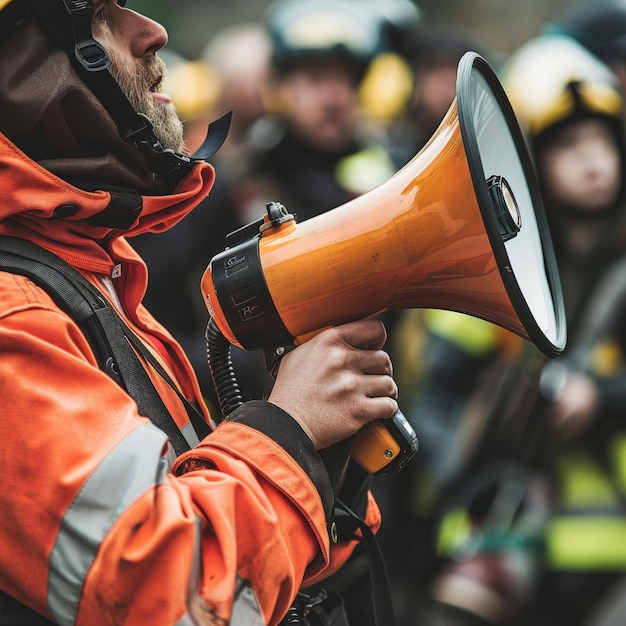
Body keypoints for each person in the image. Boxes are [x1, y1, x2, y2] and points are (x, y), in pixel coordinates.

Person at [0, 1, 401, 625]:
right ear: (22, 69)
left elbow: (231, 565)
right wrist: (289, 425)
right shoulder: (15, 313)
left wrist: (326, 466)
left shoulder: (96, 272)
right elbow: (175, 598)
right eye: (100, 16)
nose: (152, 32)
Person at [424, 33, 626, 626]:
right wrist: (457, 478)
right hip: (501, 531)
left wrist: (603, 399)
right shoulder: (483, 276)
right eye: (568, 144)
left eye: (603, 141)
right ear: (530, 161)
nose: (593, 161)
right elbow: (435, 401)